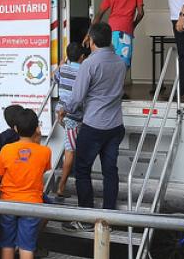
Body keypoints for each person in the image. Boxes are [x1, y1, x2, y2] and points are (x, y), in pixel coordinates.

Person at [61, 22, 126, 232]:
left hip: (94, 126)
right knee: (110, 171)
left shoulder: (90, 63)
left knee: (81, 170)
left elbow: (77, 97)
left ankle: (86, 218)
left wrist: (64, 109)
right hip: (115, 125)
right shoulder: (119, 62)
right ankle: (109, 219)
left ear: (92, 40)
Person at [0, 109, 51, 259]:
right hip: (32, 204)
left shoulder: (6, 150)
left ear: (15, 129)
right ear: (37, 129)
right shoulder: (45, 152)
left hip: (7, 203)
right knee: (27, 247)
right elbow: (42, 170)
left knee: (7, 244)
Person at [92, 0, 144, 70]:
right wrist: (133, 24)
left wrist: (89, 34)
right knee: (123, 65)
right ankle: (117, 87)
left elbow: (99, 14)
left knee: (109, 63)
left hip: (110, 33)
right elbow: (140, 13)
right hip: (125, 32)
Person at [53, 42, 86, 198]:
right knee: (70, 151)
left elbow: (55, 77)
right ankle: (61, 187)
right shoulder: (83, 71)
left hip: (61, 112)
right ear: (82, 57)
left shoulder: (63, 69)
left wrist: (60, 65)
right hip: (73, 115)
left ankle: (64, 183)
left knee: (70, 146)